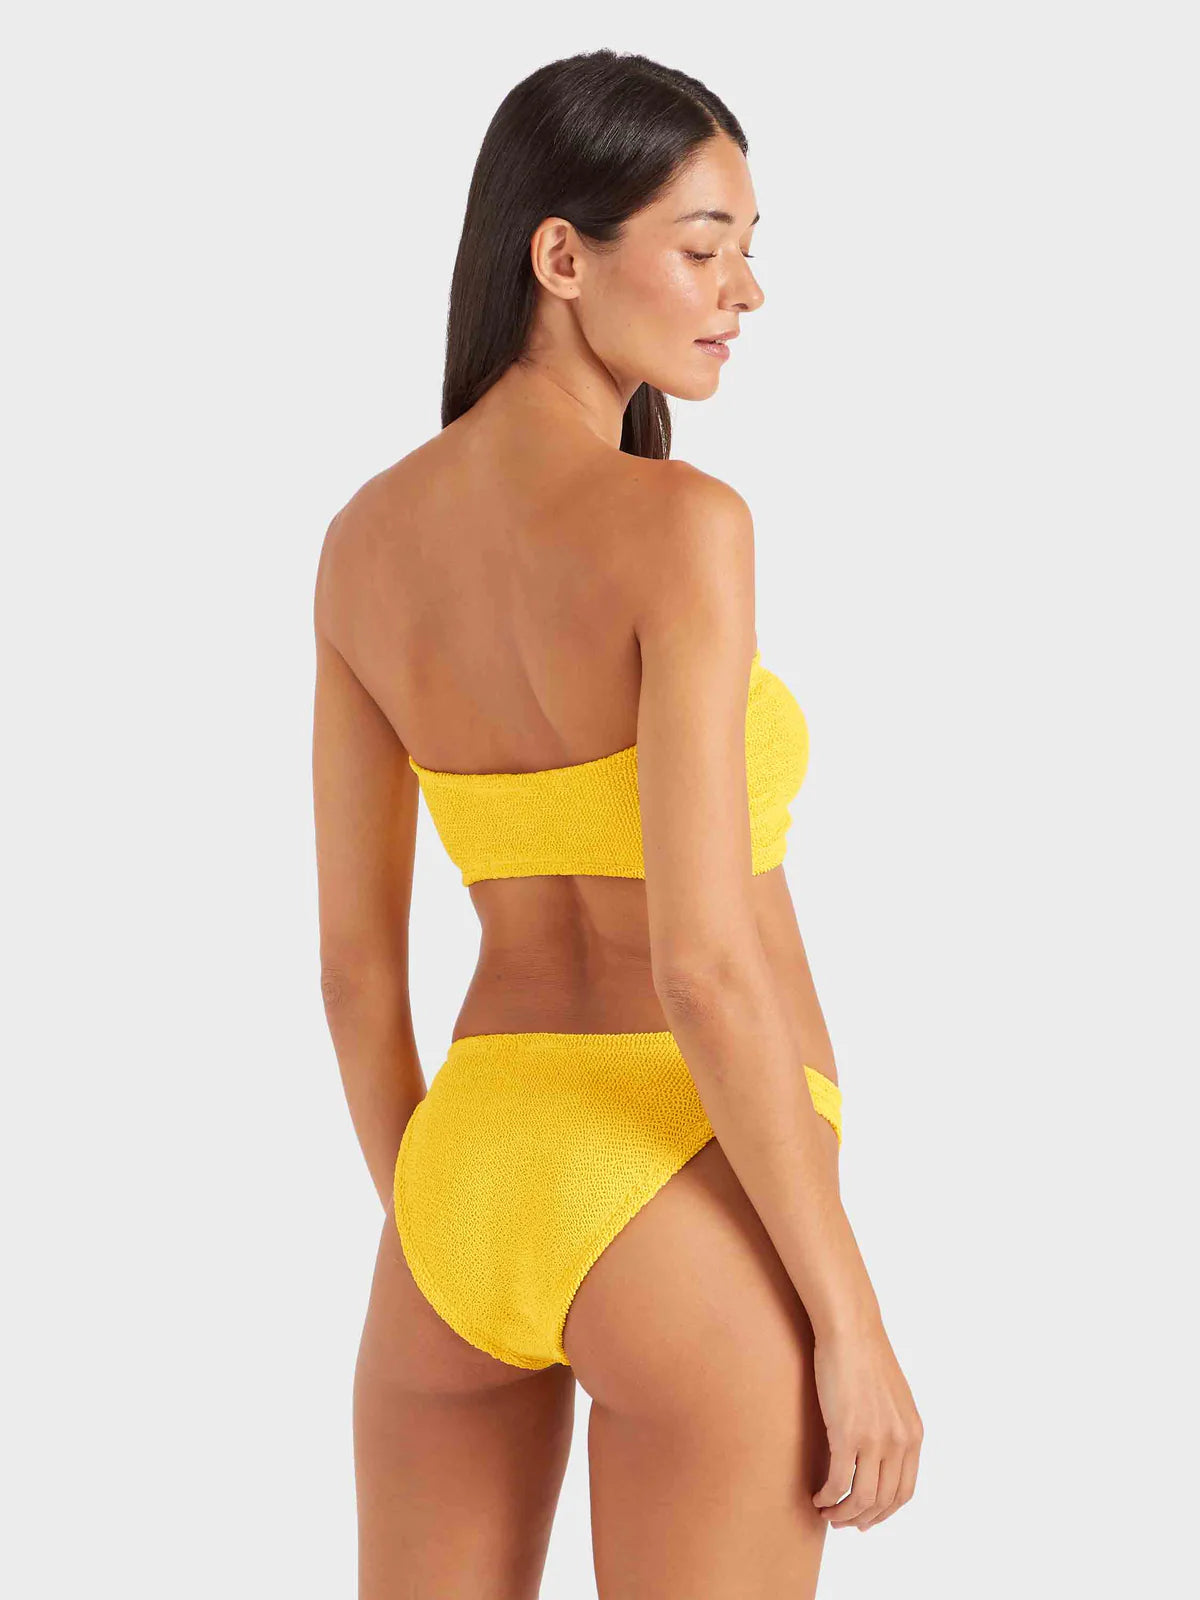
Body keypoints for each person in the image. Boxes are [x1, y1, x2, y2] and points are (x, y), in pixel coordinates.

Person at [312, 48, 922, 1600]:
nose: (745, 292)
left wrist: (452, 1232)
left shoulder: (363, 546)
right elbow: (704, 968)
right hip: (678, 1169)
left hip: (463, 1179)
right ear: (561, 257)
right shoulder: (685, 529)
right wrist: (848, 1319)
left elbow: (355, 978)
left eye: (750, 250)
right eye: (705, 248)